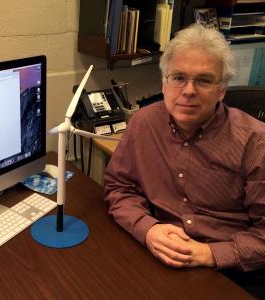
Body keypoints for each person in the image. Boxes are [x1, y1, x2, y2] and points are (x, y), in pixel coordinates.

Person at [104, 23, 265, 299]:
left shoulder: (256, 143)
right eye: (178, 77)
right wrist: (148, 229)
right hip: (157, 253)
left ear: (222, 90)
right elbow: (119, 187)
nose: (188, 90)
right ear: (164, 83)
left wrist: (210, 254)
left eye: (204, 80)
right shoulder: (143, 124)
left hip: (231, 272)